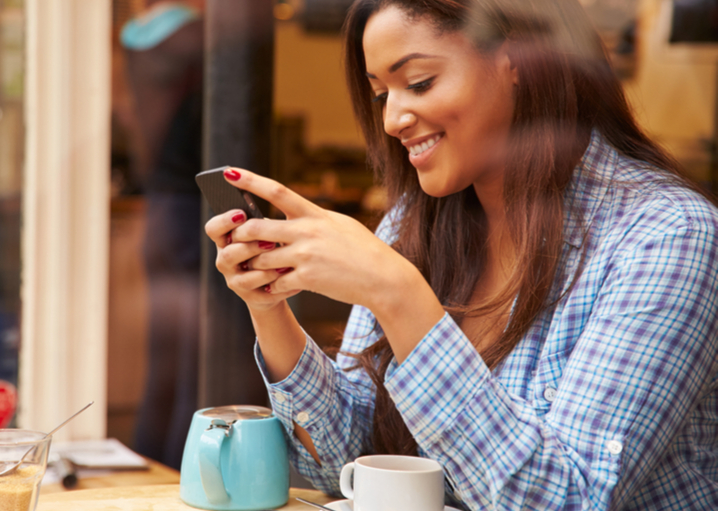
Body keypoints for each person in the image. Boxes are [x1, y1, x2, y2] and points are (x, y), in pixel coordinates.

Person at [204, 0, 718, 509]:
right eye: (381, 93)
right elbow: (340, 467)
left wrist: (400, 296)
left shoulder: (666, 235)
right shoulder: (414, 219)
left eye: (420, 82)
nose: (392, 119)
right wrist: (269, 305)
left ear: (517, 59)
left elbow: (568, 500)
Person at [120, 0, 204, 469]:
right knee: (198, 363)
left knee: (165, 362)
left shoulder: (135, 39)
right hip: (193, 211)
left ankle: (150, 464)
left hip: (160, 211)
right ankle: (186, 474)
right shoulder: (194, 39)